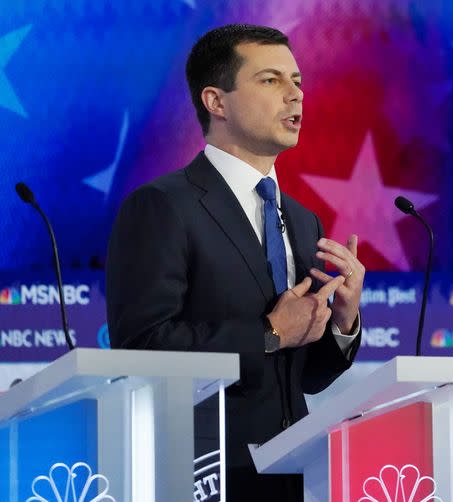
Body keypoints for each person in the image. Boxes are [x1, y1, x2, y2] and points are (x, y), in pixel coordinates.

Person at [106, 24, 364, 500]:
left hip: (291, 471)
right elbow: (141, 349)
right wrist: (270, 332)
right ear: (216, 101)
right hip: (200, 473)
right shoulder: (163, 205)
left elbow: (304, 375)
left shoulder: (303, 221)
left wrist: (343, 323)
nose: (295, 96)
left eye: (298, 81)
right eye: (270, 80)